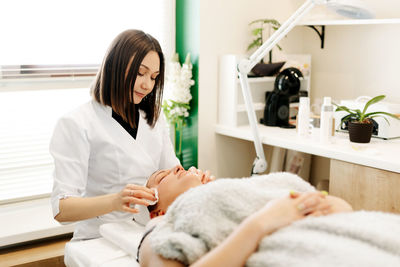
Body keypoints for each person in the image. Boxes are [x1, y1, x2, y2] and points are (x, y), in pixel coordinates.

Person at [50, 29, 180, 241]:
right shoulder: (77, 123)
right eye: (140, 73)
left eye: (154, 77)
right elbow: (61, 210)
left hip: (147, 231)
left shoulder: (154, 120)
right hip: (98, 237)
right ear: (115, 65)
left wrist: (191, 180)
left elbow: (169, 173)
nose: (147, 85)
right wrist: (115, 201)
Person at [137, 166, 353, 266]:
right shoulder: (159, 225)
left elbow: (344, 209)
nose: (177, 167)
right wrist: (263, 222)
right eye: (162, 176)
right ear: (160, 211)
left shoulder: (242, 189)